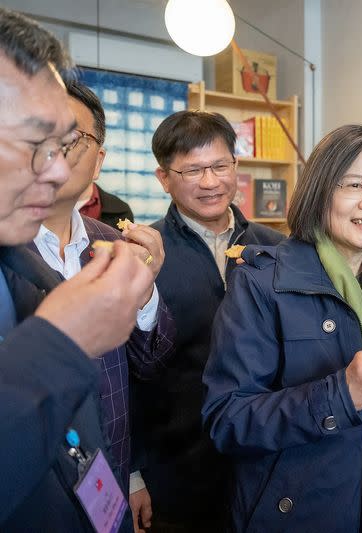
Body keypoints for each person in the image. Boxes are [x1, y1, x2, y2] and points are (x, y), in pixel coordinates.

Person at [202, 124, 362, 531]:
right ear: (321, 190)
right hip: (296, 512)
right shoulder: (263, 282)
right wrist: (342, 393)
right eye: (354, 185)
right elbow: (228, 420)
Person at [0, 7, 153, 531]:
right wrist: (61, 343)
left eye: (67, 144)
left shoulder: (19, 263)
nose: (62, 169)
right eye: (35, 142)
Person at [129, 110, 285, 532]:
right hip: (177, 472)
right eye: (193, 169)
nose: (211, 181)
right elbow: (124, 373)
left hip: (266, 464)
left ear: (236, 166)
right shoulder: (143, 254)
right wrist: (133, 473)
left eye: (220, 165)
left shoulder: (278, 250)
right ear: (164, 178)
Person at [31, 79, 176, 495]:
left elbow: (151, 363)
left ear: (97, 163)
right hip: (30, 481)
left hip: (110, 470)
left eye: (73, 139)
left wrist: (145, 290)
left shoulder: (114, 244)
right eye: (41, 136)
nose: (55, 152)